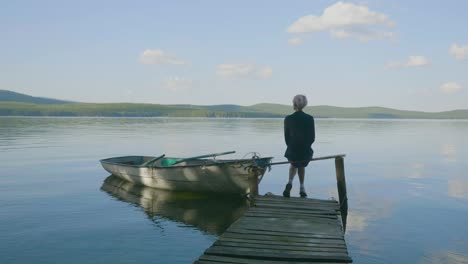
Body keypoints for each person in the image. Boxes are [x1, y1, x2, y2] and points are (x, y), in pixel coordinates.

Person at [283, 94, 315, 198]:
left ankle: (290, 182)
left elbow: (286, 137)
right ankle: (302, 187)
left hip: (292, 149)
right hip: (305, 150)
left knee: (293, 164)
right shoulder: (310, 118)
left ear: (294, 104)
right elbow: (312, 137)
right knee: (301, 165)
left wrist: (292, 146)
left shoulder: (288, 119)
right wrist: (305, 146)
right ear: (304, 104)